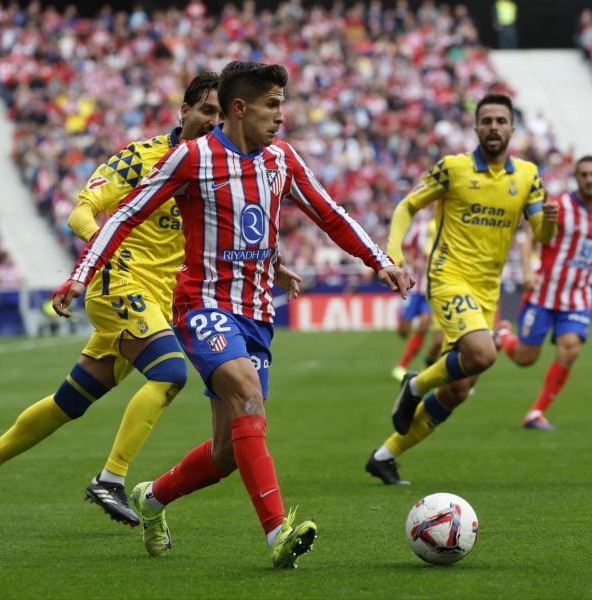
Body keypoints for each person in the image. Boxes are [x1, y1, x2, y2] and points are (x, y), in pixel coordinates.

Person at [53, 60, 414, 568]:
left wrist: (381, 262)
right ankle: (277, 534)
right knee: (246, 395)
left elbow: (331, 213)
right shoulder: (193, 159)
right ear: (240, 108)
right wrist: (82, 273)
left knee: (227, 450)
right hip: (203, 306)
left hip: (257, 315)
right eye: (272, 104)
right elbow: (127, 214)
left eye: (282, 104)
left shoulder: (281, 159)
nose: (281, 116)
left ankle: (150, 498)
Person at [0, 73, 261, 528]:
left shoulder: (215, 168)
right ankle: (111, 479)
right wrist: (106, 246)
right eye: (206, 111)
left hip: (158, 301)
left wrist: (272, 264)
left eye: (220, 114)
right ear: (185, 111)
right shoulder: (142, 157)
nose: (213, 121)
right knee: (171, 372)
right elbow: (81, 211)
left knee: (69, 403)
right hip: (118, 283)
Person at [366, 93, 558, 485]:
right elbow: (407, 206)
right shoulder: (453, 168)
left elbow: (541, 233)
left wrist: (551, 221)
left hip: (487, 290)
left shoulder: (527, 176)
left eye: (500, 121)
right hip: (449, 277)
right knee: (483, 353)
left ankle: (385, 455)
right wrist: (393, 253)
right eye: (485, 120)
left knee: (458, 390)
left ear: (511, 128)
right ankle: (415, 384)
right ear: (475, 127)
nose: (493, 127)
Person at [494, 156, 592, 430]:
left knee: (570, 349)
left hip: (577, 297)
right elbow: (529, 238)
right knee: (526, 358)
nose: (589, 179)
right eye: (584, 174)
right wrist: (527, 271)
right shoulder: (559, 206)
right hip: (543, 294)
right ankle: (502, 334)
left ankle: (536, 413)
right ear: (576, 177)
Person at [391, 214, 437, 381]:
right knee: (403, 331)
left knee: (424, 324)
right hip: (414, 286)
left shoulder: (447, 226)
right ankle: (401, 317)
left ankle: (402, 364)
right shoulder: (420, 228)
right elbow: (405, 248)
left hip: (431, 287)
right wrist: (414, 262)